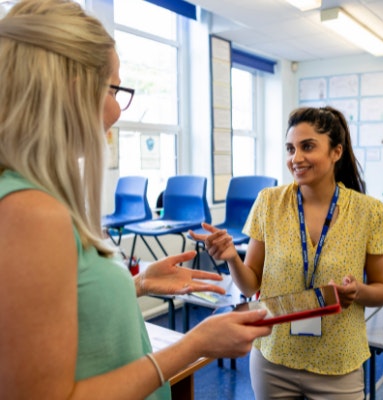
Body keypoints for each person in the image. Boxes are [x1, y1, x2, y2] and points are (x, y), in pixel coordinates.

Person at [0, 1, 272, 399]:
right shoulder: (30, 212)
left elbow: (56, 315)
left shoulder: (24, 197)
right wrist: (194, 345)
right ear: (75, 87)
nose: (116, 109)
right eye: (115, 88)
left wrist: (139, 284)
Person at [190, 106, 383, 400]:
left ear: (336, 152)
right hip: (274, 357)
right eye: (290, 148)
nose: (295, 158)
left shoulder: (368, 211)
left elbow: (382, 290)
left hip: (338, 362)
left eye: (307, 147)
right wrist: (231, 256)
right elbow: (250, 285)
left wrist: (358, 291)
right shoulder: (269, 202)